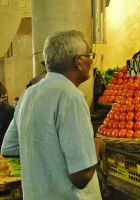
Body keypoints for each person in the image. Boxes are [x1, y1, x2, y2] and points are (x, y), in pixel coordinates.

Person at [1, 30, 105, 200]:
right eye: (90, 55)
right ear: (78, 61)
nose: (91, 61)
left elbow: (9, 148)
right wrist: (96, 146)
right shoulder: (70, 96)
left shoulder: (29, 94)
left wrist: (46, 151)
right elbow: (82, 176)